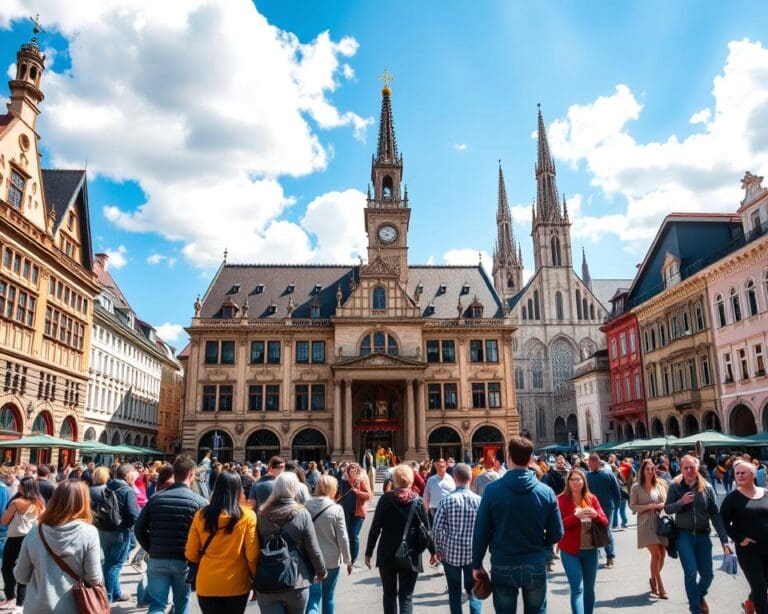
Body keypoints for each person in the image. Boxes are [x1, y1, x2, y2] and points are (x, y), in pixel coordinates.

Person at [472, 436, 564, 614]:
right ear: (530, 460)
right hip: (535, 561)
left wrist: (476, 564)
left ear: (508, 459)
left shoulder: (492, 490)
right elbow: (557, 532)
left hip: (503, 562)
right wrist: (543, 548)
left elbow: (481, 531)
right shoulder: (546, 492)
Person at [13, 480, 103, 613]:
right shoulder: (89, 532)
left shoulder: (35, 532)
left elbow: (21, 576)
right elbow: (94, 578)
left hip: (37, 607)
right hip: (73, 606)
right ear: (84, 502)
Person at [135, 455, 208, 614]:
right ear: (191, 474)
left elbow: (139, 528)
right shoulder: (200, 502)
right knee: (181, 604)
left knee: (157, 605)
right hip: (184, 560)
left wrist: (150, 548)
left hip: (157, 558)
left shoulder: (156, 498)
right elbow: (205, 536)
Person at [665, 454, 732, 614]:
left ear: (697, 468)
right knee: (691, 572)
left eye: (692, 467)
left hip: (703, 536)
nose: (689, 470)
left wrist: (725, 540)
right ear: (681, 469)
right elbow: (667, 509)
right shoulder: (675, 486)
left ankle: (698, 596)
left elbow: (715, 514)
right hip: (684, 536)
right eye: (685, 467)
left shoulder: (707, 487)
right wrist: (680, 503)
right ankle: (695, 609)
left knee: (708, 575)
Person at [365, 463, 434, 614]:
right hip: (411, 552)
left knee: (389, 595)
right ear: (411, 479)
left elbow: (375, 528)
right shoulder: (418, 501)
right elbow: (427, 530)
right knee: (406, 596)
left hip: (387, 553)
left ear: (394, 479)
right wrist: (433, 552)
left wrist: (368, 552)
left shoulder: (385, 499)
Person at [186, 470, 258, 614]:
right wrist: (256, 579)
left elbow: (191, 553)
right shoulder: (247, 516)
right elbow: (252, 555)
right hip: (237, 583)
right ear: (238, 490)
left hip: (207, 582)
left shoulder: (201, 515)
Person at [256, 471, 325, 613]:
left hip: (267, 579)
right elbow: (312, 547)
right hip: (297, 579)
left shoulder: (262, 513)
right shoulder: (302, 513)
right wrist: (321, 570)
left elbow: (255, 546)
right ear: (295, 488)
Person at [557, 467, 609, 614]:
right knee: (577, 588)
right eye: (572, 479)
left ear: (583, 481)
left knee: (589, 589)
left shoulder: (591, 498)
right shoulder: (561, 499)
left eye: (578, 479)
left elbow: (605, 521)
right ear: (568, 482)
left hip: (591, 550)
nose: (575, 482)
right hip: (570, 551)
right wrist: (576, 516)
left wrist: (595, 515)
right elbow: (558, 525)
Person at [432, 462, 482, 614]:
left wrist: (438, 549)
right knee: (474, 591)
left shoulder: (447, 500)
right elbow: (486, 529)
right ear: (471, 478)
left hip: (450, 554)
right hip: (472, 554)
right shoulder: (479, 501)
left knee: (454, 593)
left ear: (455, 478)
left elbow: (436, 529)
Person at [721, 459, 768, 614]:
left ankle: (750, 602)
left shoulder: (766, 493)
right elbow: (723, 523)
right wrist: (740, 539)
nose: (739, 476)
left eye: (743, 473)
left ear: (753, 474)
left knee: (764, 584)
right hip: (748, 550)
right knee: (759, 586)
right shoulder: (732, 498)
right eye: (737, 473)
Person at [305, 475, 352, 614]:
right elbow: (342, 537)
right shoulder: (336, 509)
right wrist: (348, 560)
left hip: (310, 558)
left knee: (313, 597)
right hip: (331, 558)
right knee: (328, 596)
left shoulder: (306, 505)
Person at [0, 476, 45, 609]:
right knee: (25, 568)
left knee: (7, 566)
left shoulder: (16, 503)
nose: (18, 487)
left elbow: (4, 521)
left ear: (25, 488)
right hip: (32, 537)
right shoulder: (40, 503)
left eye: (20, 485)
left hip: (15, 538)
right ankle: (21, 602)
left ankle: (10, 596)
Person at [99, 463, 139, 603]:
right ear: (128, 475)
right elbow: (133, 514)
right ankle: (106, 599)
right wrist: (127, 527)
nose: (135, 475)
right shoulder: (127, 490)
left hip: (104, 530)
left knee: (108, 562)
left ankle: (116, 593)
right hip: (120, 532)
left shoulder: (107, 486)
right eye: (134, 473)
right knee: (114, 565)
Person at [629, 458, 669, 599]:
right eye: (647, 469)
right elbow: (632, 506)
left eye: (652, 469)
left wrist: (662, 504)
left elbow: (668, 501)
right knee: (656, 554)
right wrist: (648, 507)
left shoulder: (661, 484)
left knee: (662, 554)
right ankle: (660, 586)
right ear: (642, 470)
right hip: (645, 523)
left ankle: (652, 579)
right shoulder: (636, 487)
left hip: (660, 522)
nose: (650, 471)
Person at [585, 453, 621, 568]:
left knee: (604, 530)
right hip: (600, 506)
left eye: (590, 462)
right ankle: (601, 556)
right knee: (599, 530)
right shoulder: (589, 475)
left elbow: (616, 492)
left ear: (595, 462)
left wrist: (615, 504)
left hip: (603, 506)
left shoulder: (590, 476)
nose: (589, 465)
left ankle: (609, 556)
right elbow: (617, 492)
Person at [337, 462, 372, 566]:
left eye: (354, 470)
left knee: (354, 535)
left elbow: (368, 496)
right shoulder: (344, 482)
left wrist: (358, 492)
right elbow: (340, 494)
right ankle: (348, 558)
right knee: (347, 534)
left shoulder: (361, 481)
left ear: (357, 471)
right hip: (346, 511)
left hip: (358, 512)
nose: (352, 472)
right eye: (350, 470)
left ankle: (354, 559)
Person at [423, 458, 456, 522]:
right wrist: (426, 510)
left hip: (448, 509)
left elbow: (454, 494)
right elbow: (426, 495)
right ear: (436, 467)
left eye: (443, 466)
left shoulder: (450, 479)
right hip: (435, 508)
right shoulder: (431, 480)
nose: (441, 468)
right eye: (439, 466)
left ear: (446, 466)